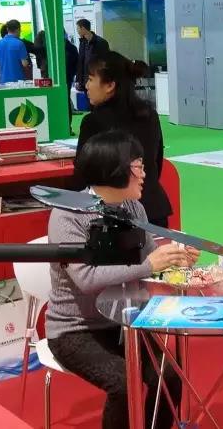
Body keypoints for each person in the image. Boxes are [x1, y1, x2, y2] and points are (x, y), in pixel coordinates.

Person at [46, 130, 194, 429]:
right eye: (138, 166)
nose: (144, 174)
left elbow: (150, 257)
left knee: (169, 375)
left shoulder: (133, 207)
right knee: (123, 383)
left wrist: (174, 258)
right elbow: (87, 279)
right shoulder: (68, 215)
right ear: (114, 170)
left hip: (124, 322)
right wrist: (148, 265)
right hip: (76, 330)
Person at [76, 51, 172, 227]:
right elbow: (155, 163)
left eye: (90, 79)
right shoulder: (149, 115)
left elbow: (83, 174)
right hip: (154, 209)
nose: (86, 86)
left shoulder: (93, 122)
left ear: (110, 85)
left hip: (114, 216)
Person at [75, 18, 109, 93]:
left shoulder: (101, 43)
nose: (77, 31)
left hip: (96, 81)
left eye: (78, 28)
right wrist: (78, 80)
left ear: (83, 28)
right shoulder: (82, 43)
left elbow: (105, 62)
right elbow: (80, 62)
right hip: (84, 82)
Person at [0, 19, 29, 84]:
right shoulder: (20, 43)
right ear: (18, 29)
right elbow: (24, 64)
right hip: (18, 81)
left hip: (3, 80)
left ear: (7, 29)